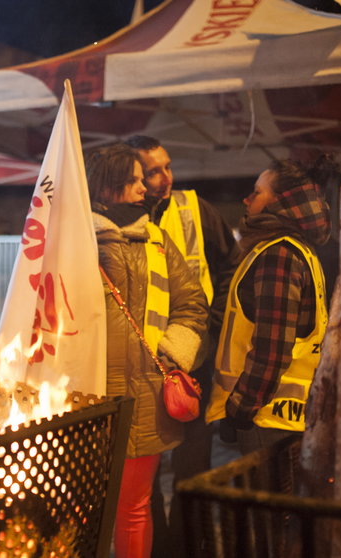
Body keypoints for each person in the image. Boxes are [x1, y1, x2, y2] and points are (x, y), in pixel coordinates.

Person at [86, 143, 209, 558]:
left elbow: (192, 304)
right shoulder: (70, 238)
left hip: (143, 396)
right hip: (84, 396)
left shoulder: (155, 239)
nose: (144, 187)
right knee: (84, 508)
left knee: (134, 509)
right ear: (108, 185)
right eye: (135, 179)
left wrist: (172, 355)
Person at [124, 135, 240, 551]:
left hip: (193, 363)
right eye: (152, 171)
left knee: (192, 465)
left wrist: (209, 324)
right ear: (134, 175)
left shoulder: (195, 209)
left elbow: (230, 265)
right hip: (144, 363)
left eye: (167, 167)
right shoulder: (123, 220)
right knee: (146, 473)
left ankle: (190, 548)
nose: (164, 178)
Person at [206, 155, 335, 454]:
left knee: (271, 499)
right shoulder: (299, 249)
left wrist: (239, 409)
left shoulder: (278, 254)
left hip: (265, 419)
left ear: (282, 203)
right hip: (288, 415)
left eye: (258, 192)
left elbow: (272, 349)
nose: (247, 199)